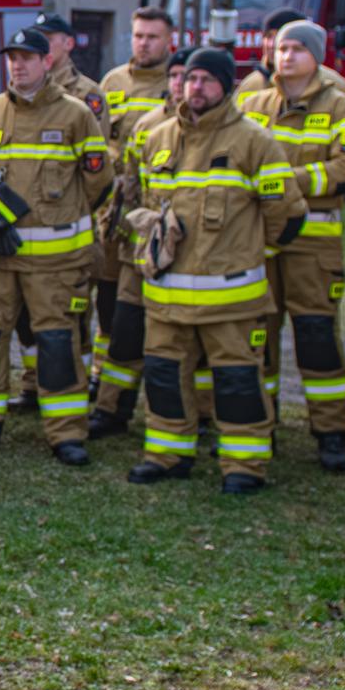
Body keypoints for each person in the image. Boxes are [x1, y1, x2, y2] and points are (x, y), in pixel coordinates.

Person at [126, 48, 307, 493]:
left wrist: (246, 252)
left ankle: (243, 467)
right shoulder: (160, 137)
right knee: (165, 378)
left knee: (237, 383)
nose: (196, 88)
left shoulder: (254, 141)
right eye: (191, 79)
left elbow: (287, 212)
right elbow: (148, 206)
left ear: (228, 87)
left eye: (208, 80)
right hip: (166, 296)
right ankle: (167, 455)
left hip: (230, 299)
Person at [0, 28, 110, 466]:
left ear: (46, 62)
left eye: (27, 58)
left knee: (58, 345)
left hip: (56, 263)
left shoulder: (76, 115)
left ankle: (66, 435)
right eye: (12, 58)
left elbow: (99, 183)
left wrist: (60, 224)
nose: (18, 65)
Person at [239, 20, 345, 471]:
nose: (285, 55)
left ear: (316, 56)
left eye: (296, 49)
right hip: (262, 240)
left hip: (314, 244)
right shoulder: (252, 104)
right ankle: (260, 425)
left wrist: (291, 182)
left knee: (316, 338)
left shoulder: (338, 106)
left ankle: (331, 433)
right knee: (259, 336)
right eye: (280, 47)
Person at [90, 45, 195, 436]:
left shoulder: (228, 133)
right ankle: (111, 410)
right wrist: (122, 234)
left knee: (185, 342)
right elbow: (128, 187)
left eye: (192, 76)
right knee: (126, 329)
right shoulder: (148, 125)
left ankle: (198, 416)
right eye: (177, 77)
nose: (183, 85)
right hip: (142, 246)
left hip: (196, 253)